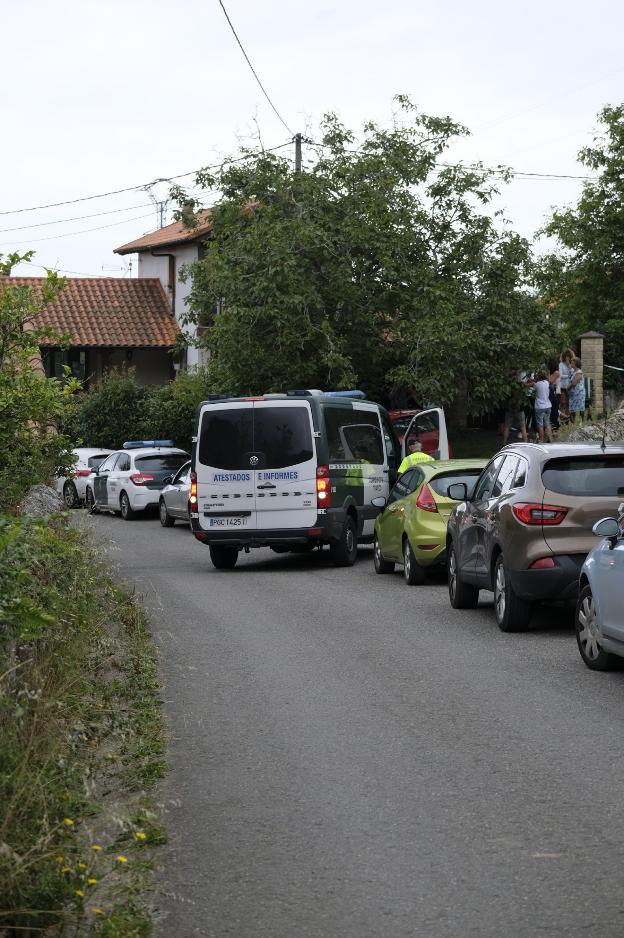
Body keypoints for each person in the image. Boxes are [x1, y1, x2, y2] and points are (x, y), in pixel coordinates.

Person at [502, 378, 529, 445]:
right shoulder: (521, 390)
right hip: (520, 410)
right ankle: (526, 443)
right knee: (523, 427)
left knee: (507, 427)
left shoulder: (508, 389)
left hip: (509, 410)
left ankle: (504, 443)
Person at [533, 370, 553, 442]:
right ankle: (549, 439)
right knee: (547, 423)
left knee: (540, 425)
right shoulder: (547, 383)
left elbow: (533, 389)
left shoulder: (537, 384)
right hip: (548, 405)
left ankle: (541, 440)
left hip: (539, 406)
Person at [559, 348, 575, 419]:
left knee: (569, 403)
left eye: (569, 356)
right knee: (563, 403)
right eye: (566, 356)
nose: (567, 358)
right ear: (564, 357)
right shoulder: (561, 364)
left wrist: (569, 366)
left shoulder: (572, 365)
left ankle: (568, 418)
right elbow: (560, 375)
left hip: (570, 387)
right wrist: (568, 376)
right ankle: (563, 418)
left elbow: (573, 374)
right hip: (562, 387)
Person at [568, 357, 586, 421]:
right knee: (573, 409)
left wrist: (567, 387)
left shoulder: (579, 372)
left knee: (578, 409)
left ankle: (580, 423)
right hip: (574, 394)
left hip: (578, 394)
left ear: (576, 364)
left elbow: (574, 383)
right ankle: (574, 423)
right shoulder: (574, 371)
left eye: (572, 363)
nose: (571, 364)